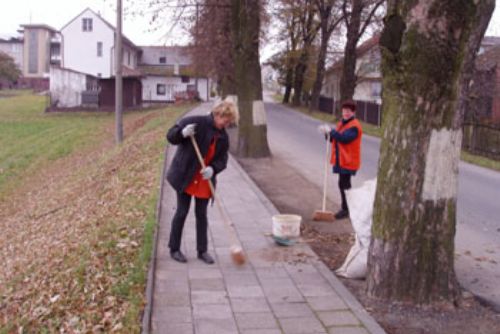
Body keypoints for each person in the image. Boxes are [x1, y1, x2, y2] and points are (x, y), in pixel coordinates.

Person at [165, 101, 239, 264]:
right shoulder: (196, 122)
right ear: (218, 114)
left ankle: (202, 250)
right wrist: (182, 133)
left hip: (204, 178)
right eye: (226, 121)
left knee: (201, 214)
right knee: (182, 212)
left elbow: (223, 159)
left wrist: (213, 169)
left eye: (229, 122)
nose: (227, 124)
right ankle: (174, 248)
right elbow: (171, 136)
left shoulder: (223, 136)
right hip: (186, 175)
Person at [318, 100, 363, 219]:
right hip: (341, 160)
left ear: (353, 112)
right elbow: (335, 139)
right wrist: (327, 134)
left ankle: (346, 209)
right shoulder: (342, 124)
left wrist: (332, 132)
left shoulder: (354, 126)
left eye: (349, 111)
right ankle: (347, 207)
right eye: (344, 111)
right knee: (342, 184)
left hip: (348, 161)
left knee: (345, 184)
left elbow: (344, 139)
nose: (346, 113)